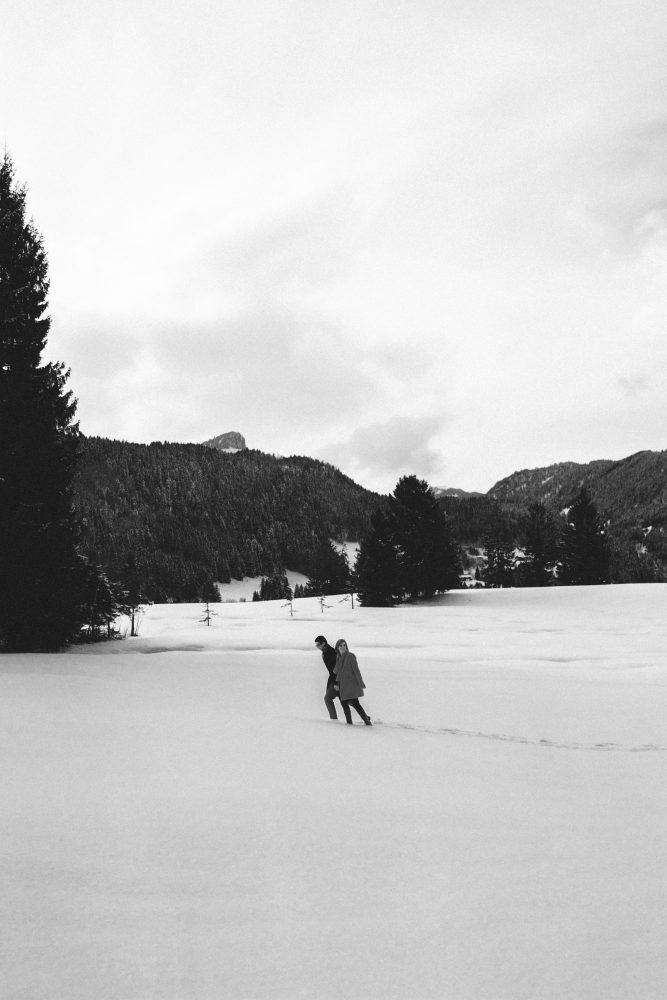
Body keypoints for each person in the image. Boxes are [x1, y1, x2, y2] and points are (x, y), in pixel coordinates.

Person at [334, 638, 372, 725]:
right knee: (344, 703)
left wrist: (361, 683)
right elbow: (337, 672)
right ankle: (349, 723)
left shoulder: (351, 656)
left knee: (355, 703)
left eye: (344, 645)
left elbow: (356, 671)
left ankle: (367, 721)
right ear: (337, 647)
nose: (343, 647)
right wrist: (336, 682)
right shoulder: (338, 657)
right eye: (341, 645)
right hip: (343, 685)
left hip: (351, 685)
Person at [314, 635, 340, 720]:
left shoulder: (330, 652)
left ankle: (334, 719)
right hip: (334, 679)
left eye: (318, 645)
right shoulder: (325, 652)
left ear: (323, 643)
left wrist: (336, 683)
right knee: (348, 701)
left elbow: (336, 669)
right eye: (316, 645)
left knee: (327, 698)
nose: (317, 647)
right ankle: (365, 717)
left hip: (338, 679)